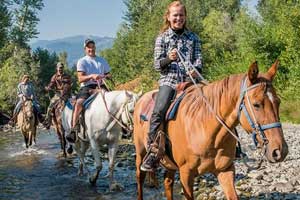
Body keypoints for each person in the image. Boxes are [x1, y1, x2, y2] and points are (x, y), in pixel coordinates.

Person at [140, 1, 203, 172]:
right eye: (175, 15)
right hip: (169, 81)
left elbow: (199, 63)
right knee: (159, 110)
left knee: (215, 100)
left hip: (190, 81)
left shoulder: (194, 38)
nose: (178, 18)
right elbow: (157, 65)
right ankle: (153, 152)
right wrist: (169, 58)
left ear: (185, 17)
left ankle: (232, 146)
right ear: (168, 17)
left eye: (181, 15)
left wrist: (195, 70)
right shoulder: (162, 38)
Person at [66, 39, 112, 143]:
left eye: (92, 46)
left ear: (95, 47)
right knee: (79, 103)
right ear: (85, 49)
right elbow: (80, 79)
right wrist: (92, 76)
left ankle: (120, 127)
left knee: (114, 101)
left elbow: (109, 74)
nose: (91, 49)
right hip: (87, 86)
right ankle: (73, 129)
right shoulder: (82, 61)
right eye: (88, 47)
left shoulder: (102, 60)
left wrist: (105, 76)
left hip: (102, 85)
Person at [44, 62, 72, 129]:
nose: (60, 69)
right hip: (58, 94)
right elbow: (51, 83)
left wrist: (65, 92)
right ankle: (48, 122)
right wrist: (48, 87)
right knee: (50, 106)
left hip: (66, 94)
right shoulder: (55, 76)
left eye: (61, 68)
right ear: (57, 68)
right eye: (59, 68)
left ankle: (76, 120)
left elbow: (68, 85)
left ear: (63, 68)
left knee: (73, 104)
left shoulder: (67, 76)